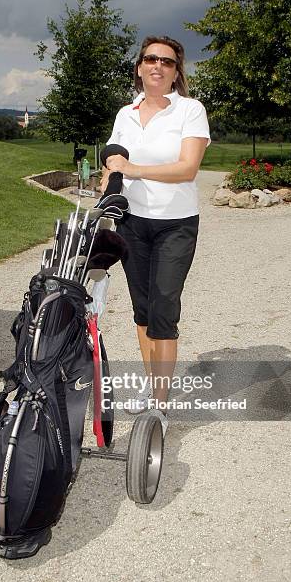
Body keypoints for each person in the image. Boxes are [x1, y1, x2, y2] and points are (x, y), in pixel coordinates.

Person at [101, 35, 211, 435]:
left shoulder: (190, 110)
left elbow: (187, 169)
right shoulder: (125, 114)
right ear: (139, 67)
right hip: (133, 223)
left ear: (176, 71)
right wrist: (106, 192)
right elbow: (114, 165)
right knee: (143, 310)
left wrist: (135, 171)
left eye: (167, 61)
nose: (157, 66)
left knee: (164, 308)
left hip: (176, 224)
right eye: (150, 59)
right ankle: (152, 390)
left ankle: (160, 407)